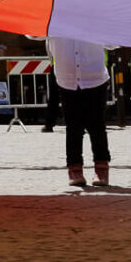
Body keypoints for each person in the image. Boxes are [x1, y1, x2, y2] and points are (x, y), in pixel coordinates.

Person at [46, 36, 111, 187]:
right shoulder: (55, 17)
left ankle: (101, 169)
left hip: (94, 76)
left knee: (97, 125)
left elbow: (113, 43)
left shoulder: (96, 16)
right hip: (67, 79)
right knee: (73, 126)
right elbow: (33, 34)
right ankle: (75, 169)